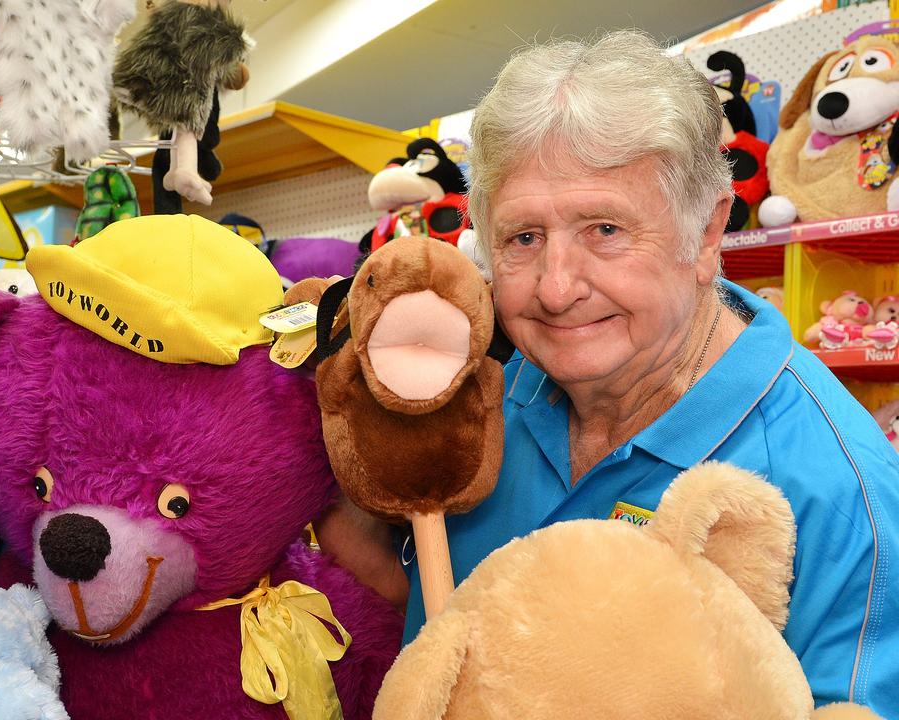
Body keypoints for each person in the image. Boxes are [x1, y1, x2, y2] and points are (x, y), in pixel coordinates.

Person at [315, 31, 899, 714]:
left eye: (606, 231)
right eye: (524, 238)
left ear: (707, 232)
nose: (557, 289)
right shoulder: (480, 402)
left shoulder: (838, 490)